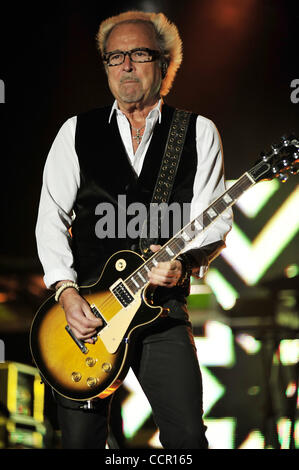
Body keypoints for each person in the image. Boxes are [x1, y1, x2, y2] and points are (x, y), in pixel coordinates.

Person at [35, 10, 233, 449]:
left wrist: (181, 265)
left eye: (139, 54)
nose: (125, 65)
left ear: (164, 63)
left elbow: (214, 222)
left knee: (187, 440)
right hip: (87, 316)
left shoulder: (197, 133)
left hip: (160, 314)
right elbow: (50, 217)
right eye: (114, 56)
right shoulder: (76, 132)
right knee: (80, 443)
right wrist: (66, 294)